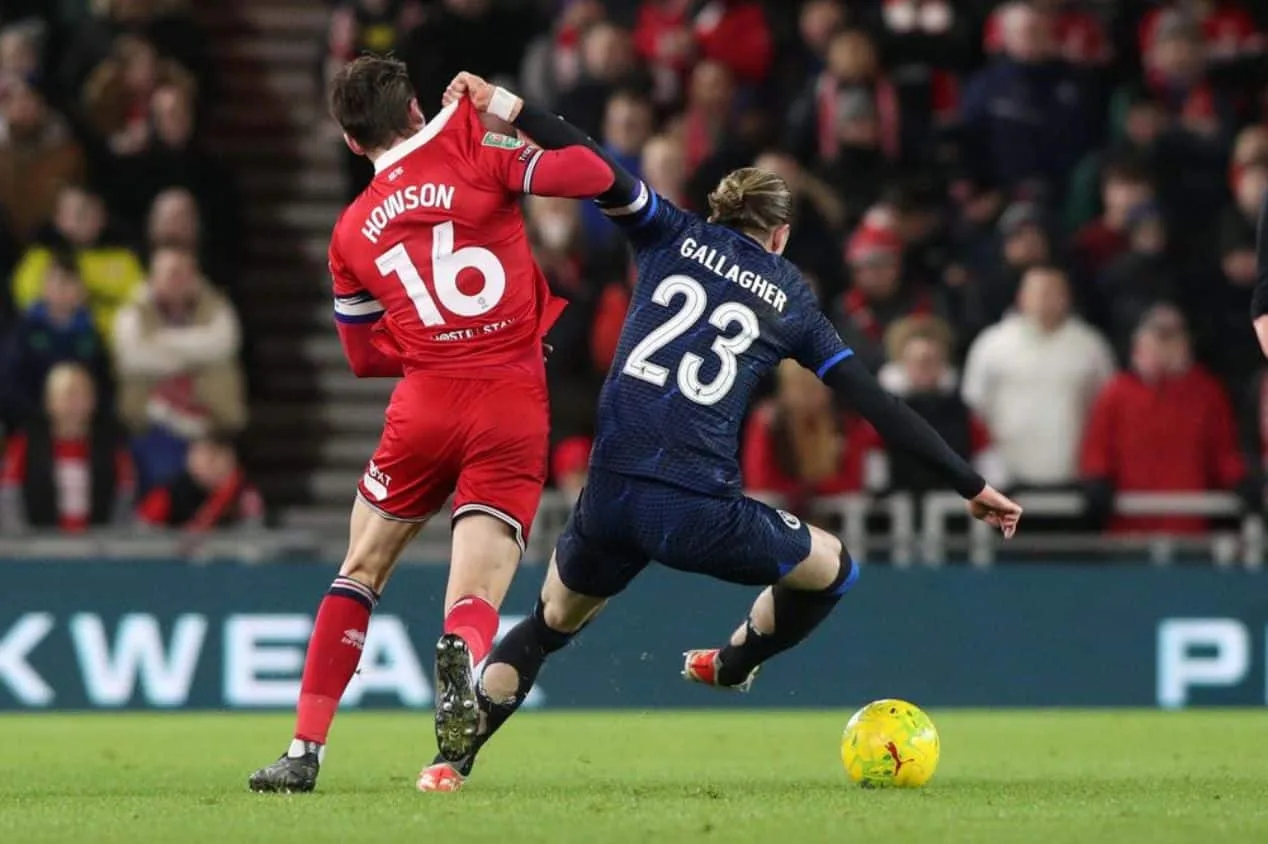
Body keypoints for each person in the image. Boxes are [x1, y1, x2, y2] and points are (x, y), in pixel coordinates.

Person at [414, 72, 1023, 793]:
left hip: (610, 494)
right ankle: (732, 664)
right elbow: (877, 405)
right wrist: (969, 483)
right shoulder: (791, 300)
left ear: (718, 212)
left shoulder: (667, 231)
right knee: (833, 567)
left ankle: (448, 762)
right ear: (781, 234)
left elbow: (593, 162)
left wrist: (506, 106)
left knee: (549, 624)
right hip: (696, 507)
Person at [246, 55, 621, 794]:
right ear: (415, 108)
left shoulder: (350, 231)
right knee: (477, 583)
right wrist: (509, 110)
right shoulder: (473, 145)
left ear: (352, 141)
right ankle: (462, 653)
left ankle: (303, 751)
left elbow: (361, 357)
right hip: (510, 397)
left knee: (361, 567)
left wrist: (432, 345)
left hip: (425, 403)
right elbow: (594, 174)